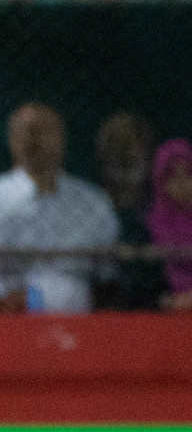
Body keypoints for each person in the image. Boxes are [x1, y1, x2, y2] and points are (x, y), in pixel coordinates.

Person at [0, 101, 118, 313]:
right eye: (25, 131)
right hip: (6, 323)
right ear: (11, 139)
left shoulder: (94, 202)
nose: (34, 139)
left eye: (44, 131)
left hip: (80, 324)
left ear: (62, 137)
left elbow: (108, 278)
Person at [95, 112, 162, 310]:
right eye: (117, 143)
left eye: (131, 143)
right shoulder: (97, 203)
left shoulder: (158, 201)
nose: (125, 152)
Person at [146, 138, 192, 312]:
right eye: (172, 176)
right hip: (166, 315)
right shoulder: (149, 228)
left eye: (188, 173)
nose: (182, 183)